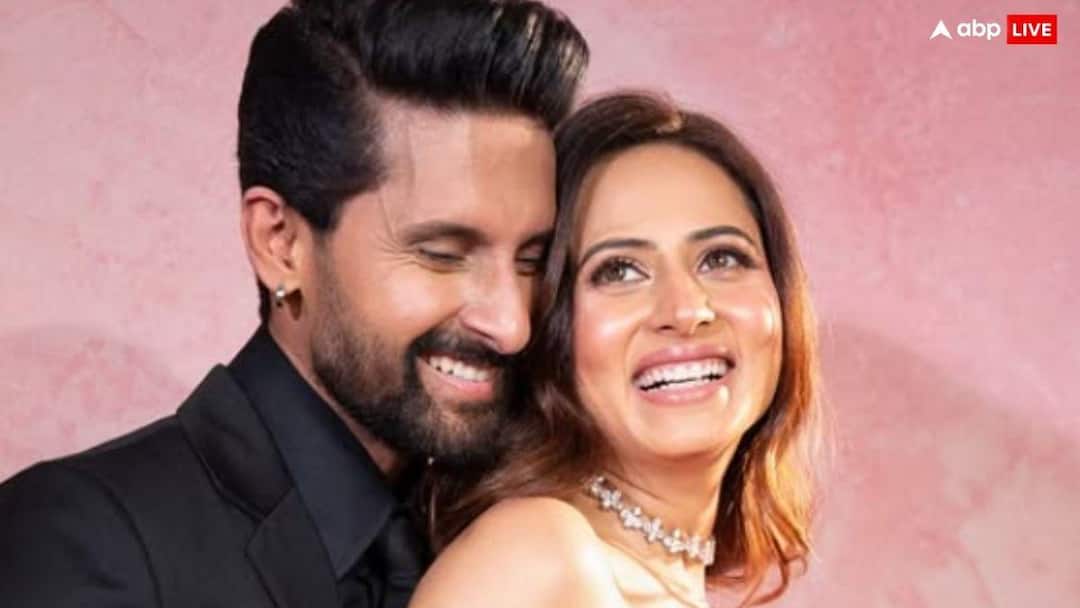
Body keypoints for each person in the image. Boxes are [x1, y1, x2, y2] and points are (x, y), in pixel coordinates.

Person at [0, 1, 587, 606]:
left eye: (530, 260)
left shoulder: (509, 540)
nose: (512, 324)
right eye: (442, 254)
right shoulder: (86, 538)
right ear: (279, 243)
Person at [409, 92, 822, 607]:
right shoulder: (536, 556)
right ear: (548, 325)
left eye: (721, 259)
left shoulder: (653, 584)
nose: (685, 309)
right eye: (620, 270)